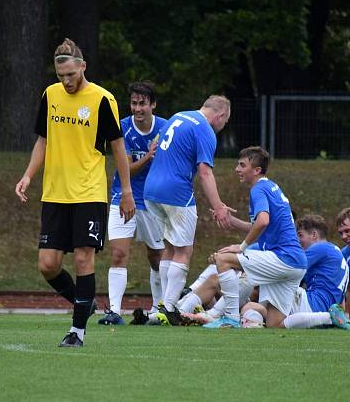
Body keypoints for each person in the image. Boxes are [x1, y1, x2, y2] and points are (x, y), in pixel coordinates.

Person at [15, 38, 135, 347]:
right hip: (55, 193)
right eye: (60, 76)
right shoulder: (50, 95)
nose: (66, 82)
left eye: (71, 74)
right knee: (48, 265)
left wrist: (126, 191)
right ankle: (85, 301)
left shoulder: (101, 99)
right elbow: (43, 140)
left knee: (84, 260)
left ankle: (77, 332)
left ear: (82, 67)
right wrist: (28, 175)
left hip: (89, 193)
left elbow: (118, 148)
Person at [143, 95, 233, 324]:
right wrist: (218, 207)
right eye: (225, 122)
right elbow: (205, 172)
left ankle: (159, 307)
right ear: (220, 115)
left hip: (151, 190)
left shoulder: (178, 116)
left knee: (170, 248)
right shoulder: (205, 129)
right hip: (175, 192)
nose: (222, 127)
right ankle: (169, 309)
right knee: (184, 251)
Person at [210, 146, 308, 328]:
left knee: (223, 259)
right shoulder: (271, 187)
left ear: (256, 170)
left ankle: (230, 318)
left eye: (242, 165)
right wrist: (230, 220)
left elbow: (262, 221)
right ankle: (329, 317)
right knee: (276, 323)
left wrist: (241, 247)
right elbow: (261, 225)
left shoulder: (258, 189)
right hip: (297, 263)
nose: (237, 169)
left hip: (283, 258)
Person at [98, 82, 167, 325]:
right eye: (134, 103)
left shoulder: (165, 128)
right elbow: (126, 168)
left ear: (153, 105)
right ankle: (114, 311)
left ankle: (159, 309)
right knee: (118, 253)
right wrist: (149, 156)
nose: (137, 109)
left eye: (143, 104)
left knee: (157, 257)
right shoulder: (123, 128)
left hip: (154, 202)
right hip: (124, 197)